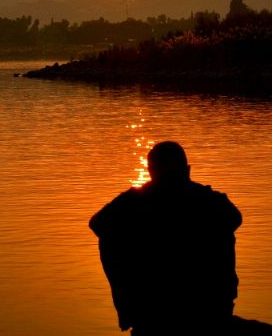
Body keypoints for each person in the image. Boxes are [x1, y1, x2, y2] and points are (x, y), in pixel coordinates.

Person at [90, 141, 242, 335]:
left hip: (156, 306)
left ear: (151, 171)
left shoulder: (135, 201)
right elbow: (235, 219)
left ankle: (132, 310)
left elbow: (97, 224)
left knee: (109, 238)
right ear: (187, 170)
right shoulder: (212, 200)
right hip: (211, 305)